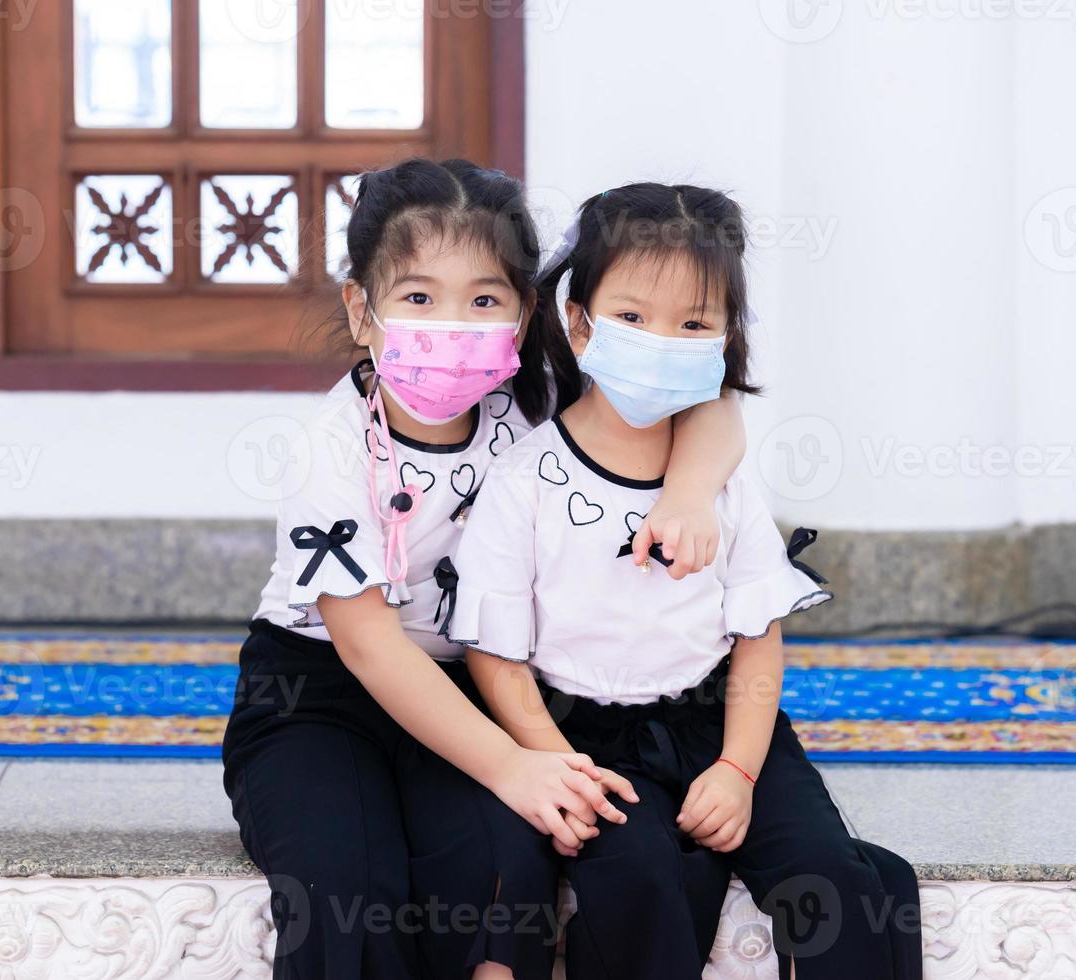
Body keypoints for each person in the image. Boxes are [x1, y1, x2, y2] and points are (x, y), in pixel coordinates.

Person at [221, 159, 747, 980]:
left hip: (473, 686)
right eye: (420, 298)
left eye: (486, 299)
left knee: (503, 872)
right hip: (318, 696)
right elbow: (368, 647)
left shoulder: (536, 401)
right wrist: (510, 763)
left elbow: (707, 405)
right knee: (347, 885)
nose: (455, 323)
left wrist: (686, 492)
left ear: (528, 310)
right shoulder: (330, 447)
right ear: (363, 309)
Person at [451, 182, 923, 980]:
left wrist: (739, 770)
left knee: (843, 884)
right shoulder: (524, 479)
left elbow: (757, 640)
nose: (662, 342)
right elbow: (495, 654)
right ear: (579, 321)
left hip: (719, 723)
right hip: (587, 741)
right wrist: (553, 764)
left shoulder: (721, 480)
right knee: (640, 886)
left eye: (694, 324)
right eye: (632, 318)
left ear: (725, 337)